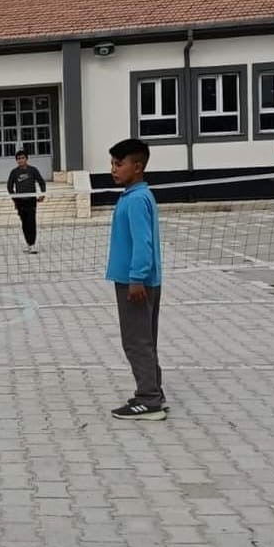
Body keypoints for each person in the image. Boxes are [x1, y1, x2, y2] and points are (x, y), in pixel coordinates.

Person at [106, 139, 166, 421]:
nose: (114, 170)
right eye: (113, 164)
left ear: (137, 167)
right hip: (137, 279)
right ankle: (154, 390)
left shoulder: (137, 199)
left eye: (119, 164)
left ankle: (149, 399)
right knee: (145, 338)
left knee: (136, 341)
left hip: (137, 282)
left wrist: (136, 278)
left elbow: (143, 244)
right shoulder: (134, 195)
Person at [6, 150, 46, 253]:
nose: (21, 160)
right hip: (20, 202)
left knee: (31, 222)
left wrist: (42, 194)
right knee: (24, 223)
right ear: (16, 161)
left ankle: (32, 244)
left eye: (22, 158)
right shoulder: (14, 172)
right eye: (18, 159)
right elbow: (9, 187)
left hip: (31, 201)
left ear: (26, 159)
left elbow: (41, 182)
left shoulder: (33, 170)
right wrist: (15, 199)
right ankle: (28, 243)